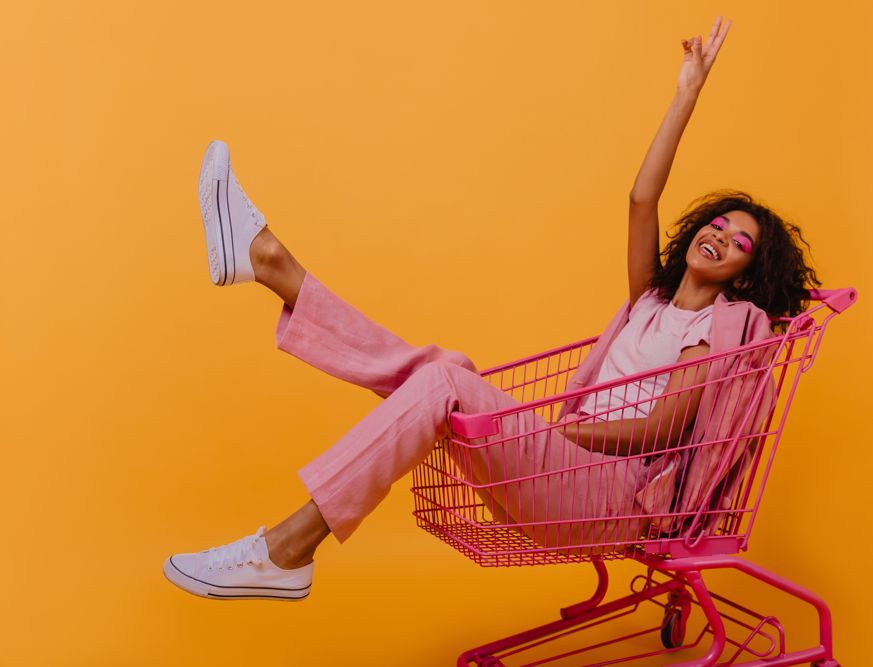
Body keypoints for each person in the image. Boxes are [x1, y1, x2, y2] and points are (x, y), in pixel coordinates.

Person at [163, 16, 819, 601]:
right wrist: (686, 94)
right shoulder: (648, 299)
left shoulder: (718, 329)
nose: (719, 237)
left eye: (739, 243)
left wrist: (558, 432)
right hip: (567, 469)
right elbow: (641, 200)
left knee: (445, 379)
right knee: (442, 371)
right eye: (718, 223)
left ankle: (286, 544)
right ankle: (275, 267)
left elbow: (662, 431)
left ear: (747, 271)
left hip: (608, 491)